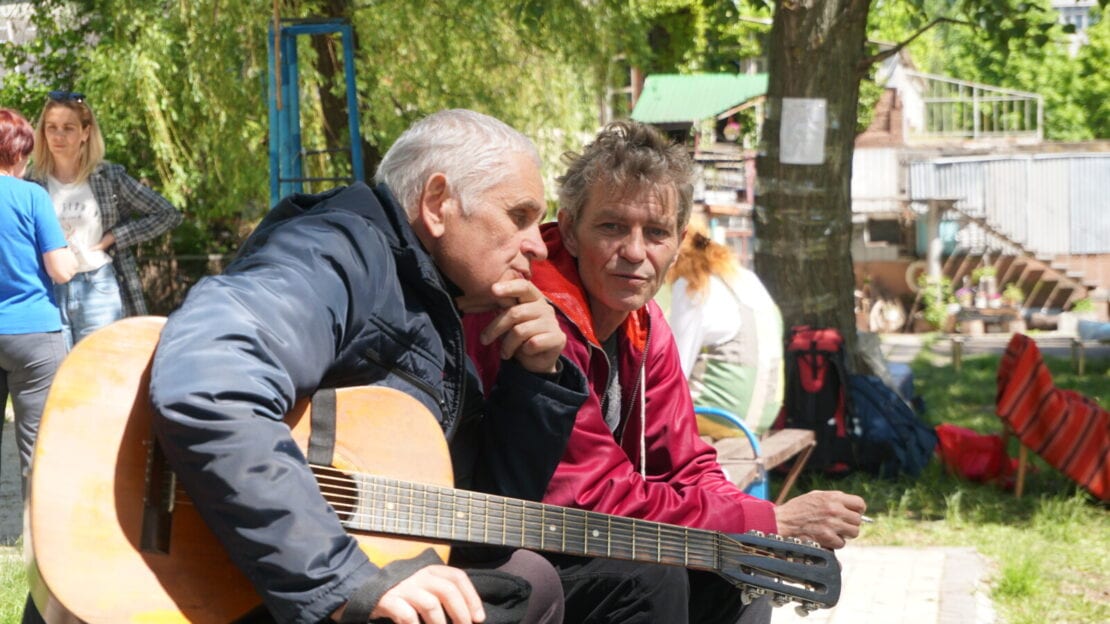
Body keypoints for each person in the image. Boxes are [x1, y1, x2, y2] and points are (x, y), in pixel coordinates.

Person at [127, 109, 587, 624]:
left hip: (294, 572)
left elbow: (478, 525)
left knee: (536, 576)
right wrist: (347, 581)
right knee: (530, 586)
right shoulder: (338, 249)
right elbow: (209, 382)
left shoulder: (437, 309)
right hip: (247, 577)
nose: (536, 244)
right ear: (438, 204)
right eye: (519, 216)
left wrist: (536, 380)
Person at [465, 120, 866, 624]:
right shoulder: (539, 315)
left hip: (576, 533)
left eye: (655, 233)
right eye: (612, 227)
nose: (635, 252)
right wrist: (771, 518)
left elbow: (686, 464)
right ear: (568, 229)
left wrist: (757, 531)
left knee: (738, 564)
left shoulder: (644, 321)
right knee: (652, 576)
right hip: (510, 541)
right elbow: (593, 492)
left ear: (678, 242)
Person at [29, 90, 182, 348]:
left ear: (85, 133)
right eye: (51, 127)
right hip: (48, 291)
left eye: (68, 128)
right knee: (58, 380)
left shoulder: (108, 177)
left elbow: (167, 214)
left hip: (98, 287)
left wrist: (114, 238)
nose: (58, 136)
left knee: (97, 373)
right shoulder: (32, 182)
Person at [0, 107, 78, 499]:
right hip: (32, 335)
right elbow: (60, 269)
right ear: (15, 154)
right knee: (39, 445)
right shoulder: (31, 196)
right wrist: (74, 253)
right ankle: (38, 542)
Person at [666, 221, 785, 438]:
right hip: (763, 417)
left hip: (719, 417)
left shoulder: (692, 285)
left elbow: (675, 370)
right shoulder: (746, 278)